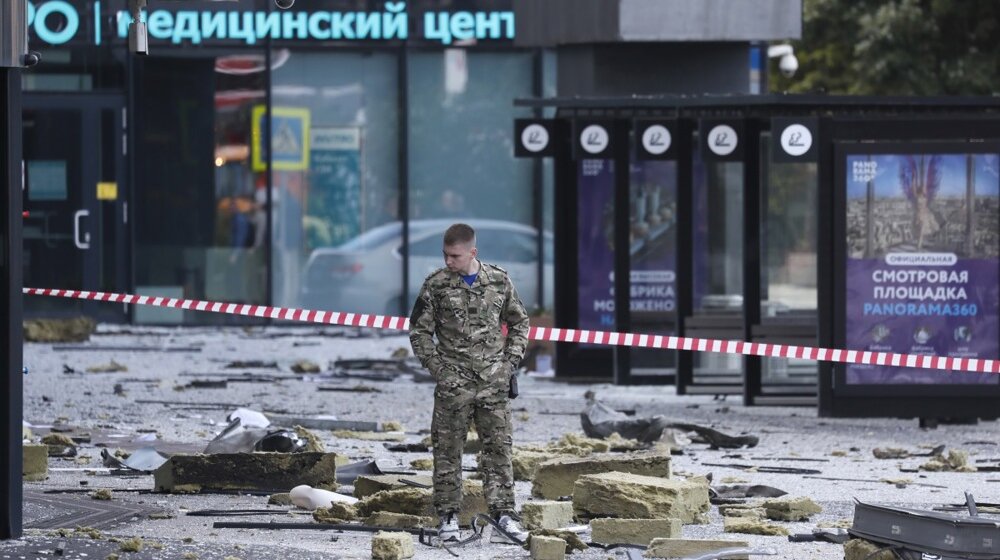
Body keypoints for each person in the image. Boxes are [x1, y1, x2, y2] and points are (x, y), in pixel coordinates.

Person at [408, 223, 530, 544]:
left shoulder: (499, 281)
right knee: (448, 452)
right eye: (446, 255)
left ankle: (504, 516)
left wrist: (509, 364)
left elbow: (520, 322)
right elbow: (419, 332)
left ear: (472, 252)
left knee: (498, 451)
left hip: (493, 384)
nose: (449, 261)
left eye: (455, 256)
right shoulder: (435, 285)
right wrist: (438, 369)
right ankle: (448, 516)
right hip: (454, 385)